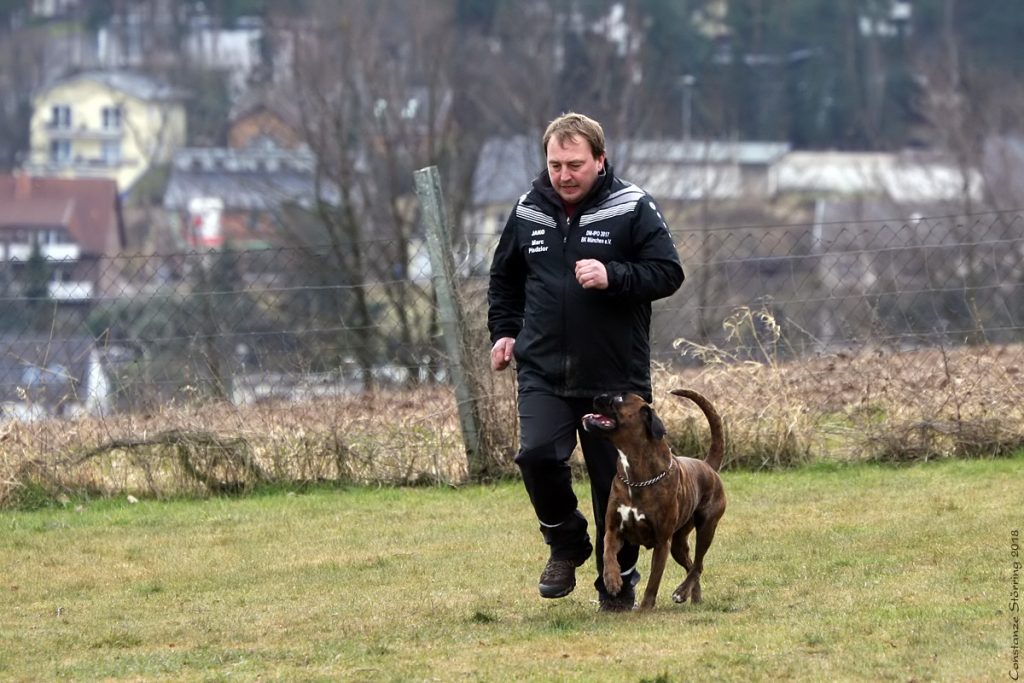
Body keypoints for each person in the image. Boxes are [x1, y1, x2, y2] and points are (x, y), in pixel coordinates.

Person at [487, 112, 684, 611]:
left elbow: (667, 272)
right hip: (543, 369)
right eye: (555, 165)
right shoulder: (529, 210)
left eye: (574, 164)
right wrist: (505, 332)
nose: (564, 175)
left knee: (611, 486)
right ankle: (566, 542)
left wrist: (614, 275)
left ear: (600, 159)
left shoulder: (631, 205)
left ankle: (614, 585)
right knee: (536, 456)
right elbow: (505, 279)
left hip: (614, 378)